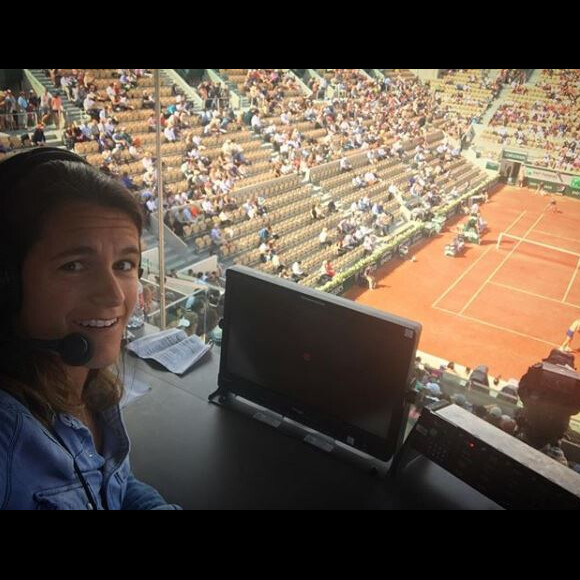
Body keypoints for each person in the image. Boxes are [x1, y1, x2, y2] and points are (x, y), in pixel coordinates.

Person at [0, 148, 180, 510]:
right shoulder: (7, 440)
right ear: (8, 285)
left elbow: (113, 484)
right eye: (74, 266)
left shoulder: (90, 385)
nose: (114, 295)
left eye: (124, 264)